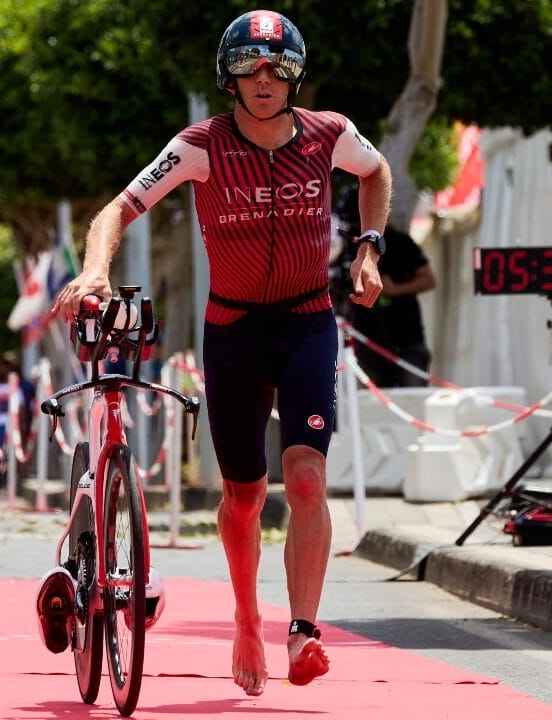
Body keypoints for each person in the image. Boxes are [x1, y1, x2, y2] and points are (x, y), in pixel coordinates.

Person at [51, 10, 392, 695]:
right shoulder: (201, 146)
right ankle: (244, 616)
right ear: (227, 75)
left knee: (304, 479)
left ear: (295, 74)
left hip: (306, 322)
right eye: (247, 67)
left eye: (276, 68)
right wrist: (94, 270)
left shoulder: (329, 134)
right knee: (243, 496)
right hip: (233, 331)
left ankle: (303, 632)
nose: (262, 81)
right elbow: (116, 210)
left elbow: (377, 172)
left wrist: (369, 246)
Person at [334, 184, 436, 387]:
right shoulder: (345, 247)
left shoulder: (400, 242)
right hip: (368, 340)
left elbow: (429, 279)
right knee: (374, 405)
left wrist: (395, 290)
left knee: (412, 399)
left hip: (406, 337)